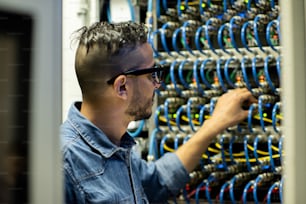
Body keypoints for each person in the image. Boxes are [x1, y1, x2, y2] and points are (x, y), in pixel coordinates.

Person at [61, 21, 257, 203]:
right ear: (122, 87)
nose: (157, 84)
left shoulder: (117, 147)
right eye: (152, 75)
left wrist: (214, 125)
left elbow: (156, 182)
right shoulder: (63, 164)